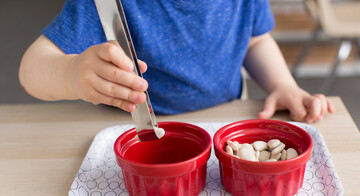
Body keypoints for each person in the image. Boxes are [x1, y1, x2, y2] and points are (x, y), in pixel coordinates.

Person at [19, 0, 334, 123]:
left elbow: (256, 41)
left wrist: (283, 84)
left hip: (225, 120)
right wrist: (72, 74)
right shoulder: (106, 3)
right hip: (134, 129)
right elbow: (32, 67)